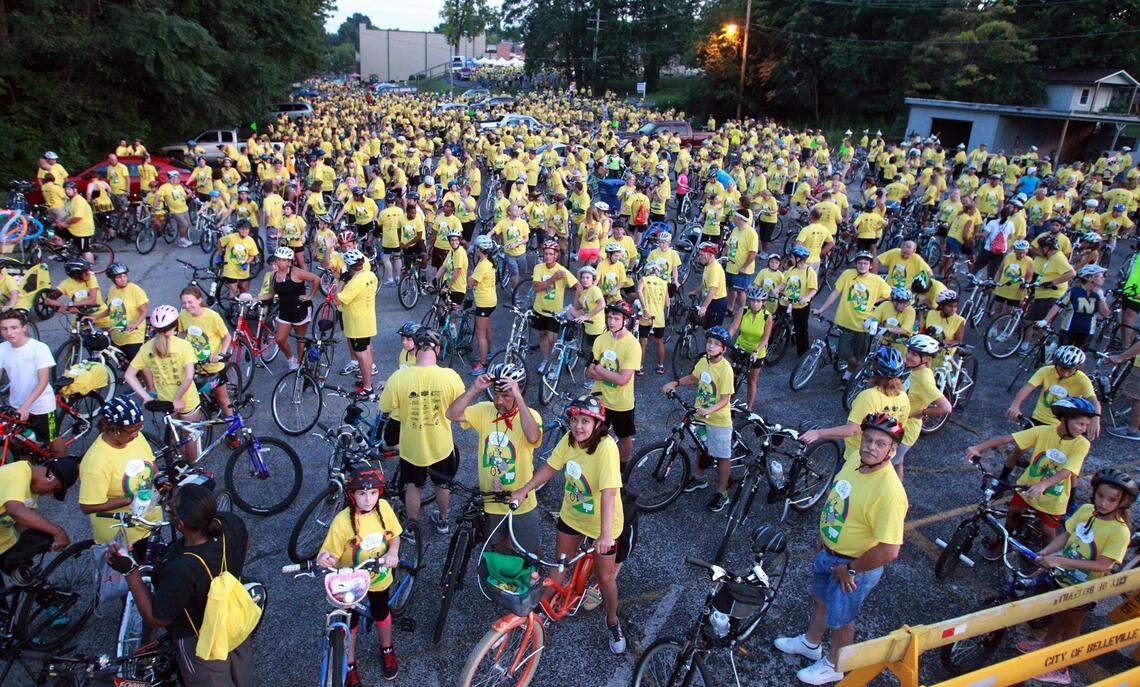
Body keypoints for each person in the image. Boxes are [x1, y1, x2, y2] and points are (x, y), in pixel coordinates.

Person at [774, 414, 908, 686]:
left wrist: (850, 568)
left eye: (881, 444)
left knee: (842, 621)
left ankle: (835, 665)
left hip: (852, 567)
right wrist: (827, 538)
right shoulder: (854, 463)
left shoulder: (890, 492)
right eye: (868, 439)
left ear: (892, 451)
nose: (871, 446)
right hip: (831, 554)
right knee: (821, 601)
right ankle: (811, 644)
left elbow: (889, 550)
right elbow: (839, 503)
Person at [511, 395, 631, 655]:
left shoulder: (607, 448)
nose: (578, 426)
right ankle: (538, 616)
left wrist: (606, 534)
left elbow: (610, 494)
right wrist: (523, 490)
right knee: (558, 567)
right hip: (572, 516)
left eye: (585, 421)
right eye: (575, 420)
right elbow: (550, 468)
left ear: (598, 424)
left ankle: (613, 621)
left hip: (603, 525)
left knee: (605, 577)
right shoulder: (569, 440)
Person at [105, 484, 255, 687]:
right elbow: (245, 545)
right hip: (233, 621)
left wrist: (130, 572)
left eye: (171, 507)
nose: (167, 508)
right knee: (241, 673)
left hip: (200, 639)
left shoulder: (182, 567)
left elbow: (156, 618)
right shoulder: (230, 523)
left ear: (181, 523)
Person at [1017, 469, 1135, 684]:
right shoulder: (1087, 510)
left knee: (1072, 626)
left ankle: (1063, 670)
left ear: (1123, 502)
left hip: (1087, 588)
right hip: (1065, 577)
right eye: (1100, 496)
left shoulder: (1120, 531)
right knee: (1060, 616)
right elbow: (1067, 535)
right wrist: (1047, 552)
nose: (1103, 503)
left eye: (1111, 500)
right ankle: (1047, 643)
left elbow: (1102, 565)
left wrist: (1060, 560)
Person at [966, 398, 1096, 545]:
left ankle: (1048, 561)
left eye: (1086, 425)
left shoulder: (1082, 444)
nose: (1083, 429)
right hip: (1026, 487)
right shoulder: (1044, 431)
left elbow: (1067, 471)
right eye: (1080, 424)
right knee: (1012, 516)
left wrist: (1043, 485)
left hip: (1054, 498)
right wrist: (977, 447)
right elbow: (1008, 438)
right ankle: (1003, 542)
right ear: (1064, 419)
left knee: (1048, 531)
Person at [316, 467, 402, 684]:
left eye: (373, 493)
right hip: (350, 583)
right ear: (351, 495)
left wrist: (393, 552)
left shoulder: (383, 508)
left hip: (379, 577)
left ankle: (387, 648)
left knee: (382, 612)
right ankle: (349, 663)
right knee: (351, 622)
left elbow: (394, 536)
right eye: (362, 494)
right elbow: (328, 554)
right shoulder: (342, 522)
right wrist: (325, 558)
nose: (368, 499)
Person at [445, 363, 542, 553]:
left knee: (529, 548)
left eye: (506, 395)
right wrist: (475, 388)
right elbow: (452, 414)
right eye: (496, 393)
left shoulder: (532, 416)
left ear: (518, 391)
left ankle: (532, 578)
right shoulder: (485, 410)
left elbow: (533, 437)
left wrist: (519, 399)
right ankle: (502, 579)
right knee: (499, 546)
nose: (499, 400)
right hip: (492, 497)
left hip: (521, 499)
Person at [379, 327, 465, 534]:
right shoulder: (450, 376)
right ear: (437, 350)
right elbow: (462, 408)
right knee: (443, 484)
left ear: (415, 349)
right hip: (441, 445)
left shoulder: (399, 378)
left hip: (412, 446)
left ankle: (411, 528)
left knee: (412, 486)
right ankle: (444, 521)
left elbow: (385, 406)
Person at [664, 326, 736, 511]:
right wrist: (676, 382)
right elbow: (693, 377)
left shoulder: (725, 369)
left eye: (716, 344)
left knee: (722, 456)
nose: (711, 346)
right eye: (709, 342)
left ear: (724, 349)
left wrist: (709, 410)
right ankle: (700, 477)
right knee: (700, 446)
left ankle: (722, 492)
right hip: (701, 415)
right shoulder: (704, 360)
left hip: (718, 419)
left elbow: (725, 399)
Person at [78, 397, 163, 549]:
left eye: (139, 429)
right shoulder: (96, 461)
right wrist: (129, 500)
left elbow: (150, 463)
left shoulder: (135, 438)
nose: (137, 435)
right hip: (121, 534)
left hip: (149, 522)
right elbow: (88, 506)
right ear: (114, 429)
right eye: (132, 431)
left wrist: (159, 478)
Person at [802, 347, 910, 464]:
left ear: (874, 369)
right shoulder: (903, 396)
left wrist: (819, 433)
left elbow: (852, 430)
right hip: (882, 456)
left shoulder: (868, 396)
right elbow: (898, 428)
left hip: (859, 455)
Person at [0, 456, 79, 582]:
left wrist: (44, 540)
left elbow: (22, 523)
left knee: (31, 581)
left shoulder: (32, 491)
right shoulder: (17, 473)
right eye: (54, 488)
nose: (48, 494)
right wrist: (57, 532)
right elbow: (15, 510)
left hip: (3, 542)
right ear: (50, 476)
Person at [812, 252, 890, 378]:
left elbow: (889, 295)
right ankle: (857, 371)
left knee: (858, 355)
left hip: (863, 325)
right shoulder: (847, 274)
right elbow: (835, 293)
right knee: (844, 352)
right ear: (856, 264)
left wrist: (875, 300)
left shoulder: (877, 280)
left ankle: (848, 377)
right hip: (845, 322)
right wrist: (822, 309)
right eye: (860, 263)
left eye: (865, 263)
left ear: (870, 266)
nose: (862, 266)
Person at [0, 309, 65, 456]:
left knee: (53, 438)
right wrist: (21, 407)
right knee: (21, 443)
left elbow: (43, 381)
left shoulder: (39, 348)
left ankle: (63, 472)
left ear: (24, 327)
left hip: (43, 406)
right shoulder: (2, 349)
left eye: (14, 327)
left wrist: (25, 406)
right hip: (16, 405)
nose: (9, 333)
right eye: (4, 329)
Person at [126, 305, 201, 431]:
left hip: (164, 401)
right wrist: (177, 398)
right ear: (175, 325)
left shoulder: (146, 348)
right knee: (189, 438)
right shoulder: (184, 345)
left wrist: (147, 397)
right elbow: (189, 376)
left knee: (173, 436)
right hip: (186, 400)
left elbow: (129, 375)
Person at [587, 301, 641, 466]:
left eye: (616, 318)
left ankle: (621, 467)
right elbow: (588, 372)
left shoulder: (633, 345)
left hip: (621, 403)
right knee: (596, 433)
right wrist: (612, 376)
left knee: (624, 437)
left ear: (625, 320)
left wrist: (600, 370)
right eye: (609, 317)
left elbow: (623, 380)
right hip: (599, 398)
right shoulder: (601, 340)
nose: (611, 322)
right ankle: (600, 462)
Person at [1006, 345, 1100, 438]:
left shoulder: (1082, 379)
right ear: (1055, 363)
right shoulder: (1045, 371)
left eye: (1070, 371)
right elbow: (1028, 387)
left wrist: (1096, 419)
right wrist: (1015, 405)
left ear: (1077, 368)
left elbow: (1093, 401)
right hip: (1038, 418)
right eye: (1061, 369)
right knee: (1020, 448)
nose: (1065, 373)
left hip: (1063, 424)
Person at [897, 334, 951, 478]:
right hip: (899, 425)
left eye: (914, 354)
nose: (908, 356)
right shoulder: (917, 370)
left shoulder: (924, 379)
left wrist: (921, 413)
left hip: (906, 430)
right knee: (897, 463)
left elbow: (946, 407)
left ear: (926, 358)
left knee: (885, 468)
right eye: (908, 351)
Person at [179, 286, 234, 418]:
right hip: (195, 363)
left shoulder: (212, 316)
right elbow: (181, 333)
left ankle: (233, 430)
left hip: (213, 364)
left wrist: (221, 354)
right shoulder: (183, 315)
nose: (187, 306)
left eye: (190, 302)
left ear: (199, 300)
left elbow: (227, 337)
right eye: (184, 302)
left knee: (222, 399)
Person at [264, 247, 321, 371]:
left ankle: (301, 364)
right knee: (279, 339)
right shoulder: (273, 275)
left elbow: (316, 279)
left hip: (300, 310)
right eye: (278, 260)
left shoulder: (295, 272)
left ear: (289, 262)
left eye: (284, 260)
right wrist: (253, 299)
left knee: (300, 340)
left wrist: (310, 296)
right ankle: (291, 360)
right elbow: (270, 294)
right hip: (284, 310)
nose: (280, 263)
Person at [334, 249, 378, 398]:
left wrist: (341, 281)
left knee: (361, 355)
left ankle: (367, 388)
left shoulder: (354, 283)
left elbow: (337, 300)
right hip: (368, 320)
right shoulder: (371, 276)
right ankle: (367, 382)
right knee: (366, 352)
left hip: (356, 324)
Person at [1038, 264, 1110, 349]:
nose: (1103, 278)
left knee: (1080, 359)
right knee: (1060, 355)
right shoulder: (1073, 292)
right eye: (1101, 276)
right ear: (1089, 278)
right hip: (1068, 330)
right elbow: (1058, 305)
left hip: (1087, 332)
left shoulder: (1099, 294)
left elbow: (1105, 313)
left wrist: (1101, 298)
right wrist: (1045, 320)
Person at [88, 262, 149, 362]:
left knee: (137, 364)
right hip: (118, 334)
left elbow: (144, 311)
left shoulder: (136, 290)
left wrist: (134, 325)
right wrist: (95, 317)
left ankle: (148, 378)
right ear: (113, 279)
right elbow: (110, 310)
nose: (123, 279)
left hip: (133, 335)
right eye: (119, 277)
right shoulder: (112, 290)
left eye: (125, 276)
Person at [532, 241, 579, 370]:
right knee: (542, 335)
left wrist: (577, 305)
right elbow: (537, 288)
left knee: (553, 340)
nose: (547, 256)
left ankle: (553, 362)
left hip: (554, 312)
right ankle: (546, 360)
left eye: (551, 254)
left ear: (556, 256)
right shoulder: (538, 268)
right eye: (546, 253)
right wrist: (553, 279)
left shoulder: (562, 270)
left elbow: (578, 286)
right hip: (539, 309)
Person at [727, 286, 773, 411]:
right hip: (740, 345)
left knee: (751, 380)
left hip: (756, 351)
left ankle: (749, 408)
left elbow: (766, 337)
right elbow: (733, 328)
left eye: (758, 301)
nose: (755, 304)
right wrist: (725, 340)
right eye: (752, 300)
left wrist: (756, 351)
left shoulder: (767, 317)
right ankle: (726, 400)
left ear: (763, 302)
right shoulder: (743, 310)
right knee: (729, 373)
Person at [468, 235, 498, 375]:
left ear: (479, 249)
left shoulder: (483, 264)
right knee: (487, 329)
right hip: (491, 301)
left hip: (484, 303)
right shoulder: (489, 262)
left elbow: (472, 281)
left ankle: (483, 363)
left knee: (480, 334)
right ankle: (488, 353)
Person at [635, 259, 669, 376]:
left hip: (646, 315)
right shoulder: (664, 283)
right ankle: (660, 366)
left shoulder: (643, 279)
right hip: (659, 316)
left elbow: (638, 291)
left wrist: (644, 307)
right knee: (659, 342)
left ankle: (639, 367)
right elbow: (667, 303)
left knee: (643, 342)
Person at [217, 219, 260, 298]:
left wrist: (247, 263)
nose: (244, 231)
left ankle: (242, 308)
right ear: (238, 229)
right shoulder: (231, 237)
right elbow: (219, 242)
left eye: (247, 229)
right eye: (242, 229)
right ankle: (231, 307)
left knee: (244, 288)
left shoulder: (250, 240)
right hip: (231, 268)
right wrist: (220, 254)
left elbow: (252, 255)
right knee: (233, 289)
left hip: (243, 268)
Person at [692, 242, 728, 327]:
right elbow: (705, 282)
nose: (699, 258)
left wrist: (704, 307)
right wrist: (696, 291)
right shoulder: (708, 265)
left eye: (701, 255)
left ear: (710, 255)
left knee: (712, 331)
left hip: (717, 302)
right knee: (706, 327)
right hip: (710, 300)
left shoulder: (714, 269)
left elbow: (712, 290)